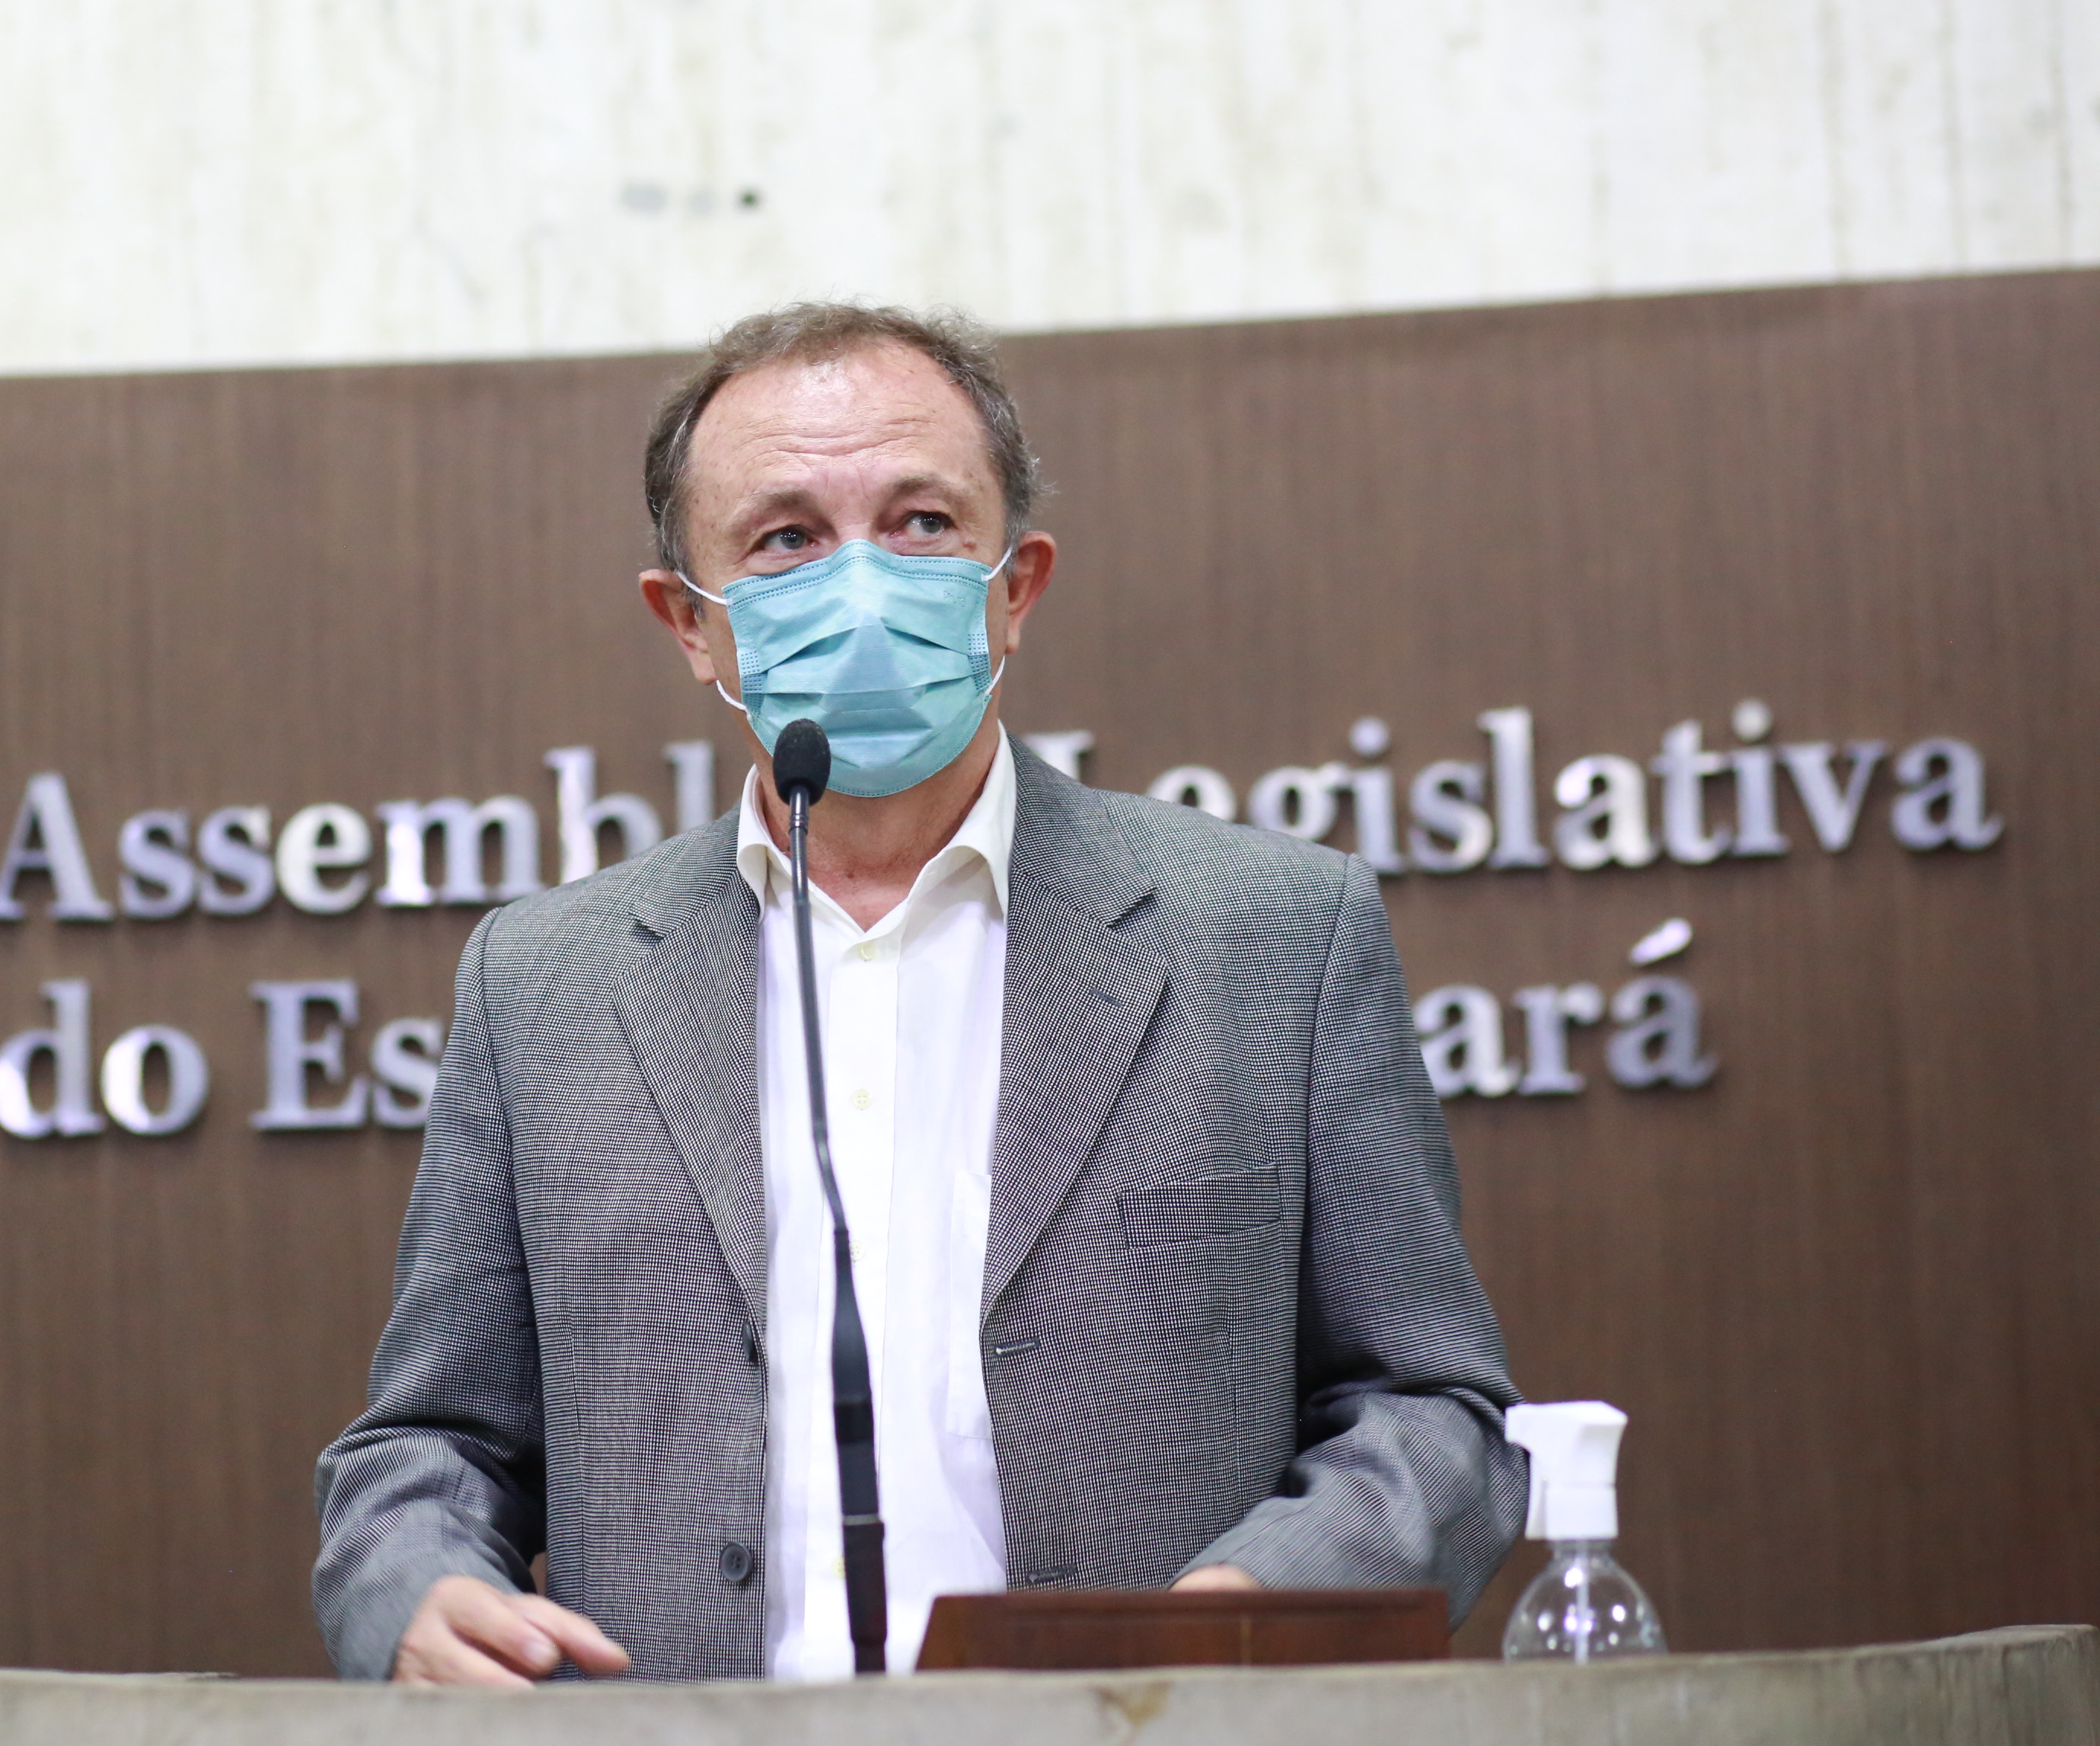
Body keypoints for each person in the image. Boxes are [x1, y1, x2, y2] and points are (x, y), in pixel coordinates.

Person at [314, 302, 1524, 1684]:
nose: (863, 582)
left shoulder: (1274, 936)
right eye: (786, 539)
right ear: (691, 624)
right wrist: (411, 1588)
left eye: (923, 523)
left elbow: (1434, 1410)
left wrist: (1248, 1611)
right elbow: (427, 1446)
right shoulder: (544, 983)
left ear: (1017, 587)